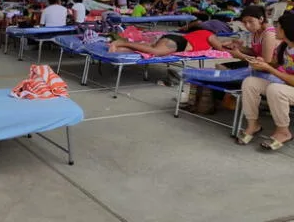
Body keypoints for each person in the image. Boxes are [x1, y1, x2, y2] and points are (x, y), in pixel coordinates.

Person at [237, 13, 294, 150]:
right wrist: (261, 62)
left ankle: (283, 131)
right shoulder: (284, 47)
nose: (275, 29)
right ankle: (253, 125)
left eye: (278, 26)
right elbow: (275, 63)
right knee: (250, 82)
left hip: (288, 86)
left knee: (275, 89)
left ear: (287, 29)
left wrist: (268, 68)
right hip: (287, 86)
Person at [109, 29, 229, 55]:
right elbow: (220, 48)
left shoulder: (200, 33)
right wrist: (228, 45)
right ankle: (121, 43)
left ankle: (119, 49)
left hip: (175, 39)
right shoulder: (210, 35)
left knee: (148, 47)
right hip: (179, 43)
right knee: (155, 51)